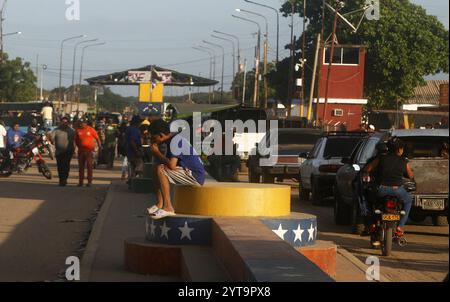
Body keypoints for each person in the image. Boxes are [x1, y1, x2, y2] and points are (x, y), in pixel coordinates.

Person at [147, 119, 206, 219]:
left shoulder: (175, 141)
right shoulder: (172, 139)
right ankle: (160, 204)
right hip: (187, 171)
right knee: (156, 167)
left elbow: (171, 165)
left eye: (153, 137)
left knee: (161, 169)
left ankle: (168, 207)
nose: (153, 140)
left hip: (195, 175)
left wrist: (157, 153)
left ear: (161, 135)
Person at [364, 138, 414, 238]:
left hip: (382, 190)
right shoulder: (404, 161)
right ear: (399, 149)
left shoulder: (381, 158)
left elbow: (367, 169)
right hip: (398, 190)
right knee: (408, 201)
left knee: (368, 200)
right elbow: (410, 175)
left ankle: (372, 224)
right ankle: (400, 227)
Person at [74, 118, 101, 187]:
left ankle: (89, 182)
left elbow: (97, 138)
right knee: (81, 167)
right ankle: (81, 182)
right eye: (79, 123)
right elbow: (75, 141)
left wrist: (100, 146)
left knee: (89, 167)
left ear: (85, 123)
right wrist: (76, 148)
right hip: (81, 151)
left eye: (82, 123)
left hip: (89, 151)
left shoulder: (91, 129)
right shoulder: (77, 130)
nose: (81, 124)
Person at [50, 116, 75, 186]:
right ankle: (61, 179)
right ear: (60, 122)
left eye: (66, 122)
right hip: (59, 152)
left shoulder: (72, 131)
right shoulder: (56, 130)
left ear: (68, 123)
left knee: (66, 166)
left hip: (68, 151)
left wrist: (75, 150)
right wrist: (51, 140)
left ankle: (64, 179)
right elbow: (51, 138)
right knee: (60, 166)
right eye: (63, 122)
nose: (64, 123)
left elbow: (75, 140)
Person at [125, 115, 144, 185]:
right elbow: (132, 141)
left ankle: (131, 180)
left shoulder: (129, 128)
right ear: (137, 123)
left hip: (129, 151)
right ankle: (133, 179)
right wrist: (137, 151)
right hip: (133, 151)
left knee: (132, 166)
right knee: (139, 165)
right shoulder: (134, 130)